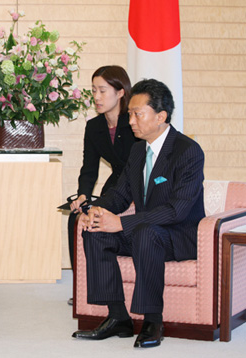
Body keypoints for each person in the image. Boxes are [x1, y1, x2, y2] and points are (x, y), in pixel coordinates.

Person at [72, 79, 205, 348]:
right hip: (146, 230)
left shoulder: (187, 151)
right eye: (129, 113)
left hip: (179, 235)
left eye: (137, 114)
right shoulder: (137, 150)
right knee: (95, 232)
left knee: (145, 234)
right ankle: (117, 317)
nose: (130, 120)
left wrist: (120, 223)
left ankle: (152, 320)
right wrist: (96, 211)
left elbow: (177, 210)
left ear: (161, 116)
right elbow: (121, 195)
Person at [67, 65, 136, 304]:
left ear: (120, 92)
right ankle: (80, 286)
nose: (96, 96)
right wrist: (83, 195)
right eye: (94, 90)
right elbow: (89, 169)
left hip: (137, 184)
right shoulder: (94, 127)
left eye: (103, 90)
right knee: (76, 215)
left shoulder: (134, 122)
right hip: (115, 183)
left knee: (100, 219)